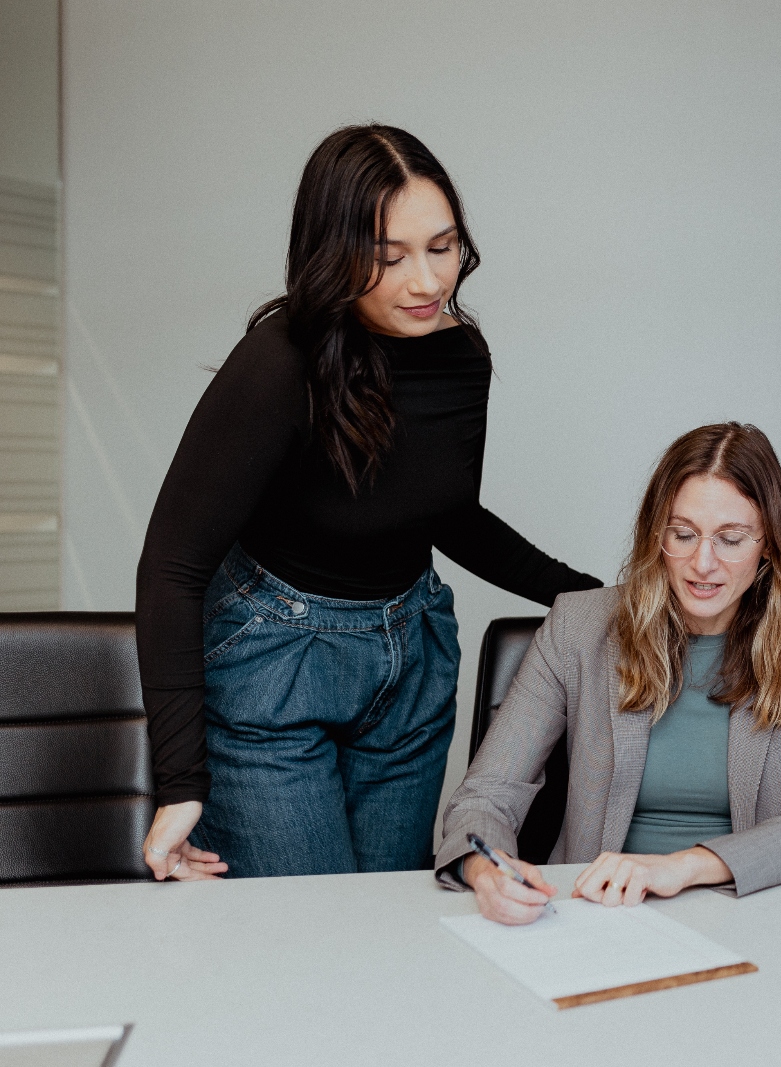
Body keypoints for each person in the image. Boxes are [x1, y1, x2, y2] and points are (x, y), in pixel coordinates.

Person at [134, 125, 601, 881]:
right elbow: (171, 568)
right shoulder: (277, 364)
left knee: (388, 923)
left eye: (443, 247)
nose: (427, 282)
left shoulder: (460, 355)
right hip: (274, 664)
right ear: (335, 254)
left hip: (411, 658)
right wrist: (180, 784)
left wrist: (595, 596)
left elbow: (446, 512)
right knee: (316, 932)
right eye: (390, 258)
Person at [435, 422, 781, 924]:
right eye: (683, 534)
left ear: (768, 543)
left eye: (730, 539)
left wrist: (682, 867)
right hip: (600, 911)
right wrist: (486, 872)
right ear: (656, 532)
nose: (702, 563)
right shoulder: (577, 626)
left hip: (749, 911)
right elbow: (487, 794)